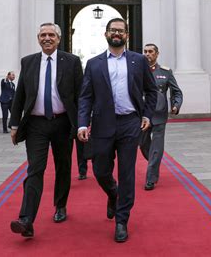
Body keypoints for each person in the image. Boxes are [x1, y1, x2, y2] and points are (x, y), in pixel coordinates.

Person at [78, 18, 158, 243]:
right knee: (101, 170)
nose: (116, 34)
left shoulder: (138, 61)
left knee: (127, 173)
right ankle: (113, 194)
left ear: (126, 35)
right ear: (106, 34)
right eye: (112, 30)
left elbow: (151, 91)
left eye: (120, 31)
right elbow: (85, 96)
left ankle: (122, 220)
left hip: (129, 124)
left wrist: (147, 115)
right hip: (102, 124)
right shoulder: (93, 64)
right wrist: (83, 123)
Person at [9, 23, 83, 238]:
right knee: (35, 169)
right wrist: (14, 124)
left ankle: (60, 205)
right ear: (38, 38)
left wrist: (82, 123)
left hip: (62, 123)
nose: (47, 38)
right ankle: (26, 219)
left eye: (51, 35)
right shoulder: (29, 62)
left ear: (59, 39)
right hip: (36, 124)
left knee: (63, 166)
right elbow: (20, 95)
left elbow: (80, 95)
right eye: (43, 35)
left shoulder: (71, 62)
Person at [139, 43, 183, 191]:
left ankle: (150, 178)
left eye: (150, 51)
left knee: (156, 147)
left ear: (157, 54)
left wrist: (175, 105)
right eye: (145, 51)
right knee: (144, 145)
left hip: (159, 114)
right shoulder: (137, 71)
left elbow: (177, 92)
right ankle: (154, 162)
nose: (147, 54)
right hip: (142, 115)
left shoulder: (165, 72)